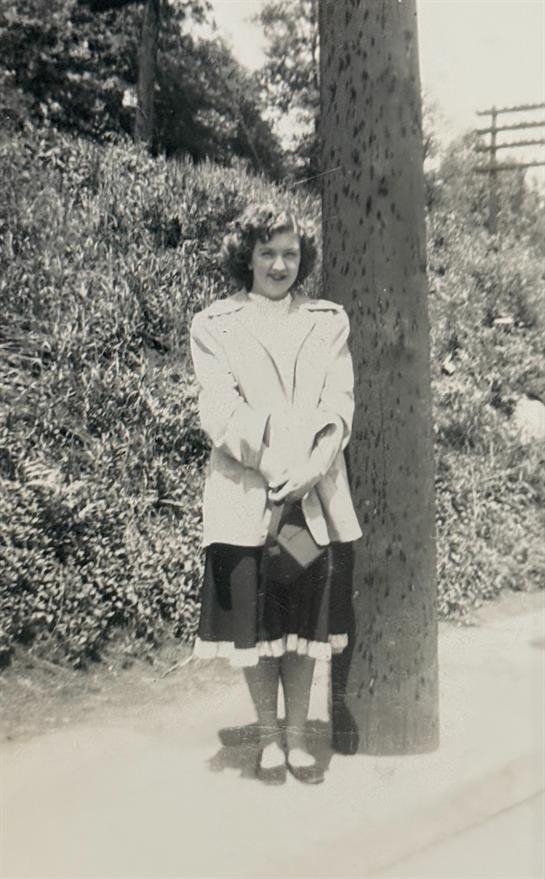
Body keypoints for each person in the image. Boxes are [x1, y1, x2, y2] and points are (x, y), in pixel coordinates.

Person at [189, 203, 362, 785]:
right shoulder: (214, 325)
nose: (280, 265)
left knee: (304, 621)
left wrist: (312, 468)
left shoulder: (328, 321)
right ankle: (267, 738)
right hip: (246, 498)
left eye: (290, 253)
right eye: (267, 252)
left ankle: (298, 737)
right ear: (248, 256)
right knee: (257, 625)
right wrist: (272, 464)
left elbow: (339, 404)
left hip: (310, 500)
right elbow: (219, 409)